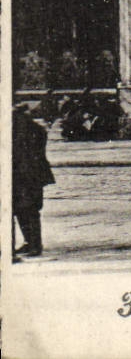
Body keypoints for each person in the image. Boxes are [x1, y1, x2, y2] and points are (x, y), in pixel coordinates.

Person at [12, 104, 54, 259]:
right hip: (28, 174)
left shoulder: (21, 127)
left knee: (26, 210)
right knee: (25, 210)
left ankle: (34, 244)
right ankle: (32, 243)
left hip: (25, 175)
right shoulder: (32, 127)